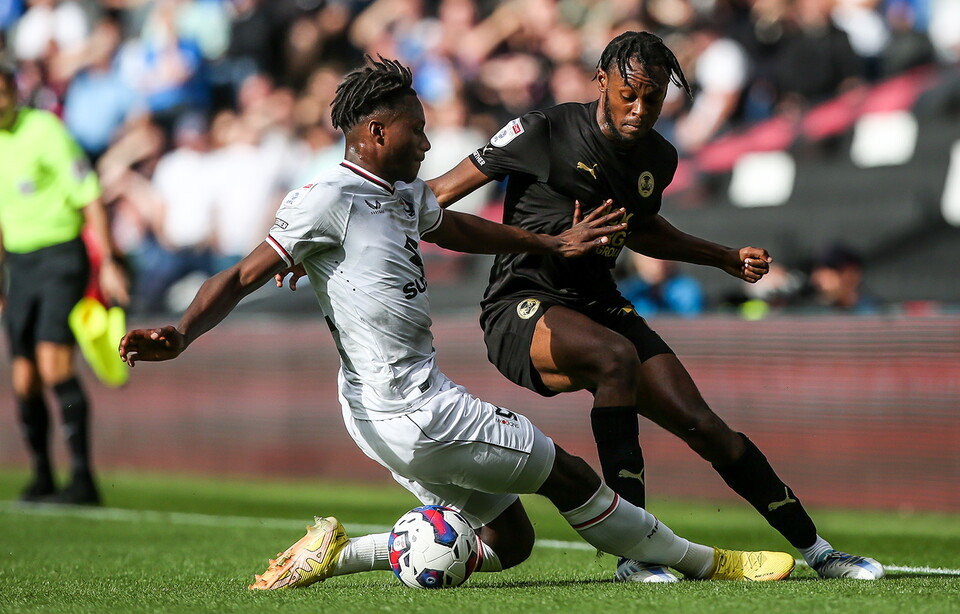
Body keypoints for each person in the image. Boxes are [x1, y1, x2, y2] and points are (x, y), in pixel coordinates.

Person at [118, 57, 796, 589]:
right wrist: (180, 332)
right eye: (416, 129)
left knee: (511, 543)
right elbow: (241, 275)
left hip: (376, 413)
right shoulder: (327, 199)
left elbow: (460, 227)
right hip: (416, 410)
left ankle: (341, 551)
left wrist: (548, 243)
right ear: (377, 132)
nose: (427, 139)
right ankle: (706, 562)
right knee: (568, 475)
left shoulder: (401, 195)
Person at [426, 31, 884, 581]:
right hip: (520, 306)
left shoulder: (657, 158)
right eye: (629, 94)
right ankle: (633, 552)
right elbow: (436, 196)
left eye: (654, 97)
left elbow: (643, 229)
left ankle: (820, 553)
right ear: (602, 81)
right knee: (614, 357)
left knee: (705, 426)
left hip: (598, 303)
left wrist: (722, 257)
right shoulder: (543, 130)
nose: (640, 110)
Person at [0, 63, 129, 505]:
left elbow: (89, 194)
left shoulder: (45, 132)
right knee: (23, 378)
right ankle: (41, 476)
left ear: (13, 92)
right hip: (20, 264)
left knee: (54, 364)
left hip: (60, 255)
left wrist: (108, 261)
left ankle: (82, 479)